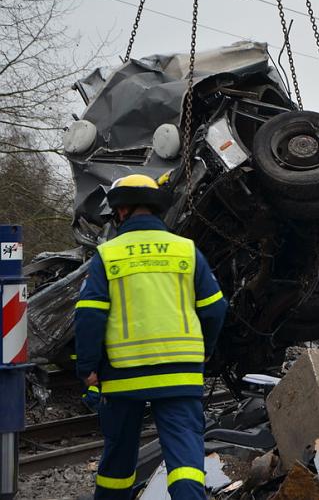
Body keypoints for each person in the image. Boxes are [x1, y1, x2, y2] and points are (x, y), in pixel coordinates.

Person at [74, 174, 228, 500]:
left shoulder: (108, 254)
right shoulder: (186, 251)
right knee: (186, 458)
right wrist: (206, 351)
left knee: (118, 458)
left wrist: (87, 367)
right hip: (180, 374)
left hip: (122, 377)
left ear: (122, 211)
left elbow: (89, 314)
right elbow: (215, 308)